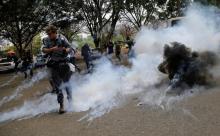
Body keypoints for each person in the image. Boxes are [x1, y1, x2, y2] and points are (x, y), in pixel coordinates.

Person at [42, 25, 72, 114]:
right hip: (54, 65)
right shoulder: (46, 40)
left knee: (67, 84)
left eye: (50, 33)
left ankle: (71, 101)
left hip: (64, 64)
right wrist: (51, 49)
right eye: (48, 34)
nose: (49, 35)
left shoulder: (62, 38)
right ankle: (61, 106)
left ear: (55, 32)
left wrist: (65, 50)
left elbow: (70, 48)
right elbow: (43, 50)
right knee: (58, 87)